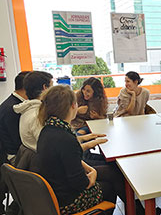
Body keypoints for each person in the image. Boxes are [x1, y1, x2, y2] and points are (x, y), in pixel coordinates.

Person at [36, 85, 122, 215]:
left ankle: (138, 210)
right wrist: (92, 176)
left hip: (53, 192)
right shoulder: (66, 138)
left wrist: (91, 170)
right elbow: (81, 184)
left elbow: (66, 159)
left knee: (112, 172)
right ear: (72, 106)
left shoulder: (48, 130)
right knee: (110, 186)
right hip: (67, 201)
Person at [0, 71, 30, 214]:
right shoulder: (12, 109)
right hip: (11, 159)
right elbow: (18, 142)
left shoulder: (14, 103)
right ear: (27, 88)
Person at [13, 71, 53, 152]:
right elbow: (49, 147)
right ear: (45, 87)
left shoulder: (28, 109)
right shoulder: (36, 115)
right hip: (42, 161)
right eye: (52, 87)